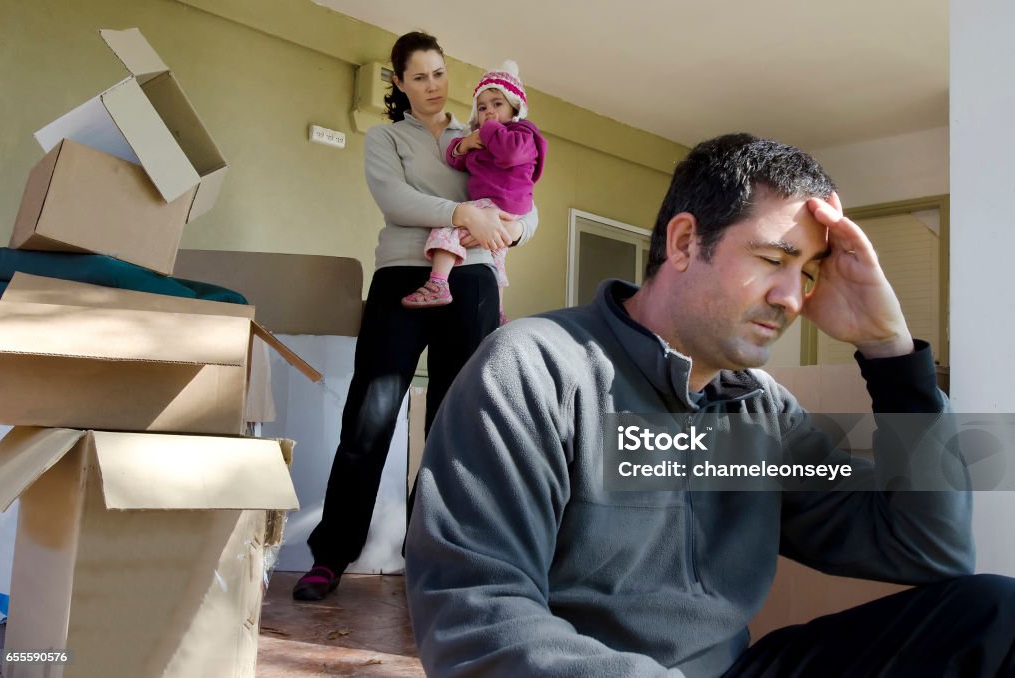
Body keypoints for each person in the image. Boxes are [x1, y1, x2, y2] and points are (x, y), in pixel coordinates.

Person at [405, 133, 1015, 676]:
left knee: (996, 614)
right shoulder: (535, 369)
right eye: (774, 260)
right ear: (684, 241)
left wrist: (892, 355)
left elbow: (930, 548)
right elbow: (476, 618)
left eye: (807, 273)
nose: (791, 297)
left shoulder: (762, 415)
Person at [292, 31, 538, 601]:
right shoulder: (385, 138)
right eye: (420, 76)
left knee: (454, 426)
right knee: (369, 418)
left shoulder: (481, 129)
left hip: (472, 280)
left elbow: (525, 201)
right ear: (399, 82)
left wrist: (510, 228)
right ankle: (331, 555)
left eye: (440, 73)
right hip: (402, 277)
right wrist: (461, 212)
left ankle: (434, 559)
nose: (433, 86)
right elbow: (394, 201)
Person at [401, 60, 547, 325]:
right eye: (482, 107)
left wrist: (488, 128)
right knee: (495, 256)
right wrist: (464, 144)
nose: (489, 112)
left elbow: (512, 153)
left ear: (515, 106)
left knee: (448, 228)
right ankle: (499, 312)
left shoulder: (522, 132)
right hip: (499, 207)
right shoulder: (484, 139)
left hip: (502, 200)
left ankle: (437, 283)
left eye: (497, 104)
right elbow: (457, 160)